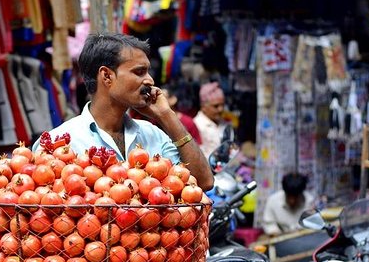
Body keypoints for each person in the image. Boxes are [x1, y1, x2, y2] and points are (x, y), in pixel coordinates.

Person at [33, 33, 213, 191]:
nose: (150, 80)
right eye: (139, 72)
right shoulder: (59, 143)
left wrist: (166, 115)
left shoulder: (153, 135)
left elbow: (204, 182)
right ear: (106, 76)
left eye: (147, 72)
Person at [193, 81, 229, 158]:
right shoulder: (197, 125)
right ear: (203, 107)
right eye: (216, 106)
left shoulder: (223, 123)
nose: (220, 109)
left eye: (222, 105)